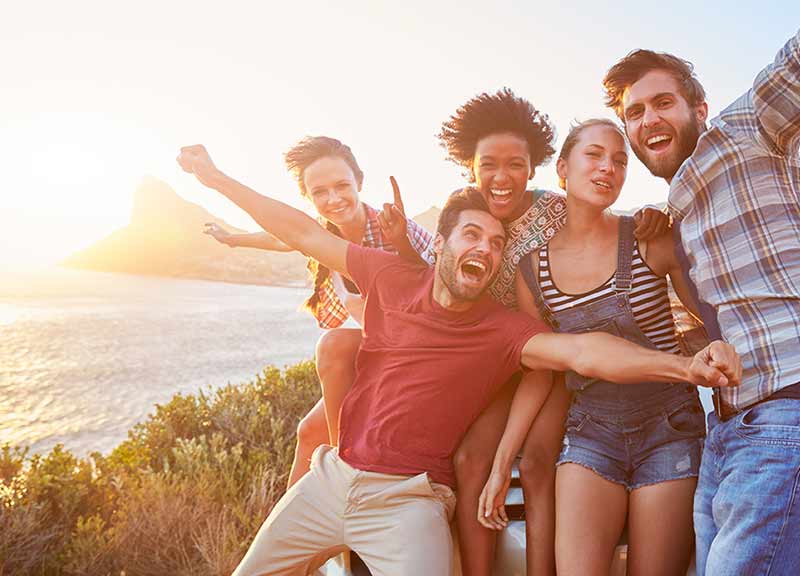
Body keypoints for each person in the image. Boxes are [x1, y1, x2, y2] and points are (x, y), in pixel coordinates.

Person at [176, 144, 742, 575]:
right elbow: (299, 231)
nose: (486, 250)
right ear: (441, 243)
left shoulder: (502, 330)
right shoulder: (388, 275)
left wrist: (685, 368)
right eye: (472, 235)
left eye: (497, 245)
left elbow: (584, 351)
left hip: (408, 501)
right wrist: (216, 178)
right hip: (330, 480)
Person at [602, 2, 800, 574]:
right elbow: (716, 325)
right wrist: (669, 262)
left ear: (699, 107)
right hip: (726, 433)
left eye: (663, 102)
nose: (648, 118)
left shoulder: (749, 128)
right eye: (634, 111)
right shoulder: (670, 215)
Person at [434, 88, 671, 575]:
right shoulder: (467, 219)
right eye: (489, 165)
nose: (503, 178)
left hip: (560, 360)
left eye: (516, 164)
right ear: (470, 167)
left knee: (540, 458)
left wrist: (647, 218)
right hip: (503, 368)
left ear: (538, 166)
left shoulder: (555, 209)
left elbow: (604, 224)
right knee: (471, 459)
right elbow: (429, 265)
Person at [477, 118, 710, 575]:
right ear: (562, 169)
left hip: (670, 426)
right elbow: (541, 370)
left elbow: (717, 309)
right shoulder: (532, 270)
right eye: (595, 156)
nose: (608, 168)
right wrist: (502, 461)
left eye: (620, 161)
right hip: (591, 431)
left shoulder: (648, 237)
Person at [202, 136, 434, 488]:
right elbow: (281, 238)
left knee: (335, 345)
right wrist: (233, 239)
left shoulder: (395, 228)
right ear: (308, 198)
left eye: (342, 186)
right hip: (379, 348)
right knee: (309, 432)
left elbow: (444, 286)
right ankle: (288, 536)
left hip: (421, 353)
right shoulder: (322, 233)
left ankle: (343, 472)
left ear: (359, 182)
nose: (333, 199)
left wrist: (403, 243)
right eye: (320, 192)